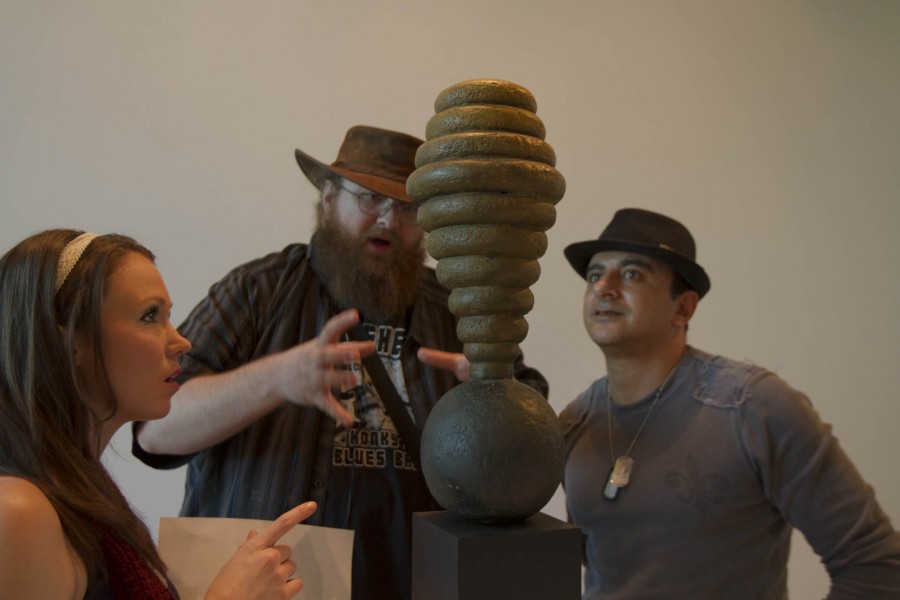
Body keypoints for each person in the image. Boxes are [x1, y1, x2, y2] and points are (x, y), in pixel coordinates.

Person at [132, 125, 548, 600]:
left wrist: (497, 399)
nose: (389, 220)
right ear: (328, 198)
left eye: (409, 207)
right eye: (370, 198)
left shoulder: (458, 308)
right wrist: (277, 378)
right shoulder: (257, 291)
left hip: (419, 579)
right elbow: (155, 431)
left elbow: (536, 430)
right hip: (273, 584)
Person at [560, 208, 900, 599]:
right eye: (595, 274)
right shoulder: (573, 424)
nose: (605, 287)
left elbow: (875, 563)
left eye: (632, 274)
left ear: (683, 308)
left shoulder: (753, 408)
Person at [0, 229, 319, 599]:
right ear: (71, 342)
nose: (181, 342)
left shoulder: (86, 492)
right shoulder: (19, 511)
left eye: (168, 315)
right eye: (150, 316)